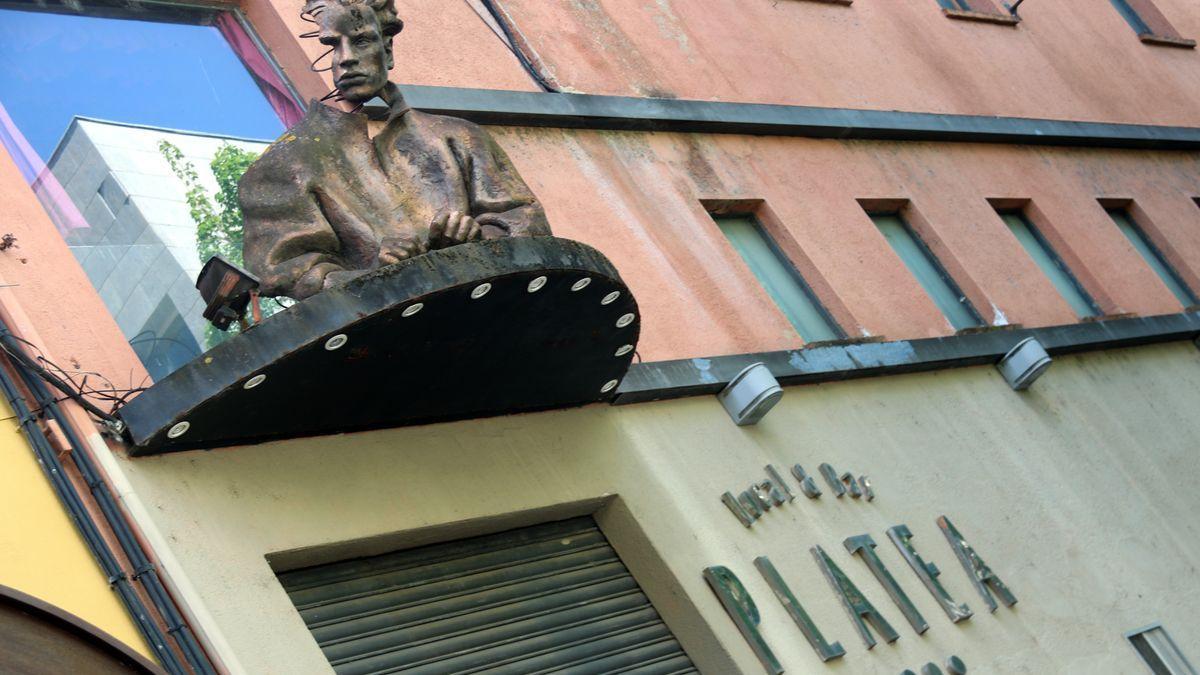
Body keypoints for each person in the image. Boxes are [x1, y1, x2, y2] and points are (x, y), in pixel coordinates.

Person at [239, 0, 550, 300]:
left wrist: (476, 238)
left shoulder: (457, 135)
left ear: (386, 50)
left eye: (361, 42)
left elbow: (526, 222)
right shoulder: (283, 167)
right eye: (332, 45)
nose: (346, 57)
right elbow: (287, 273)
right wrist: (376, 274)